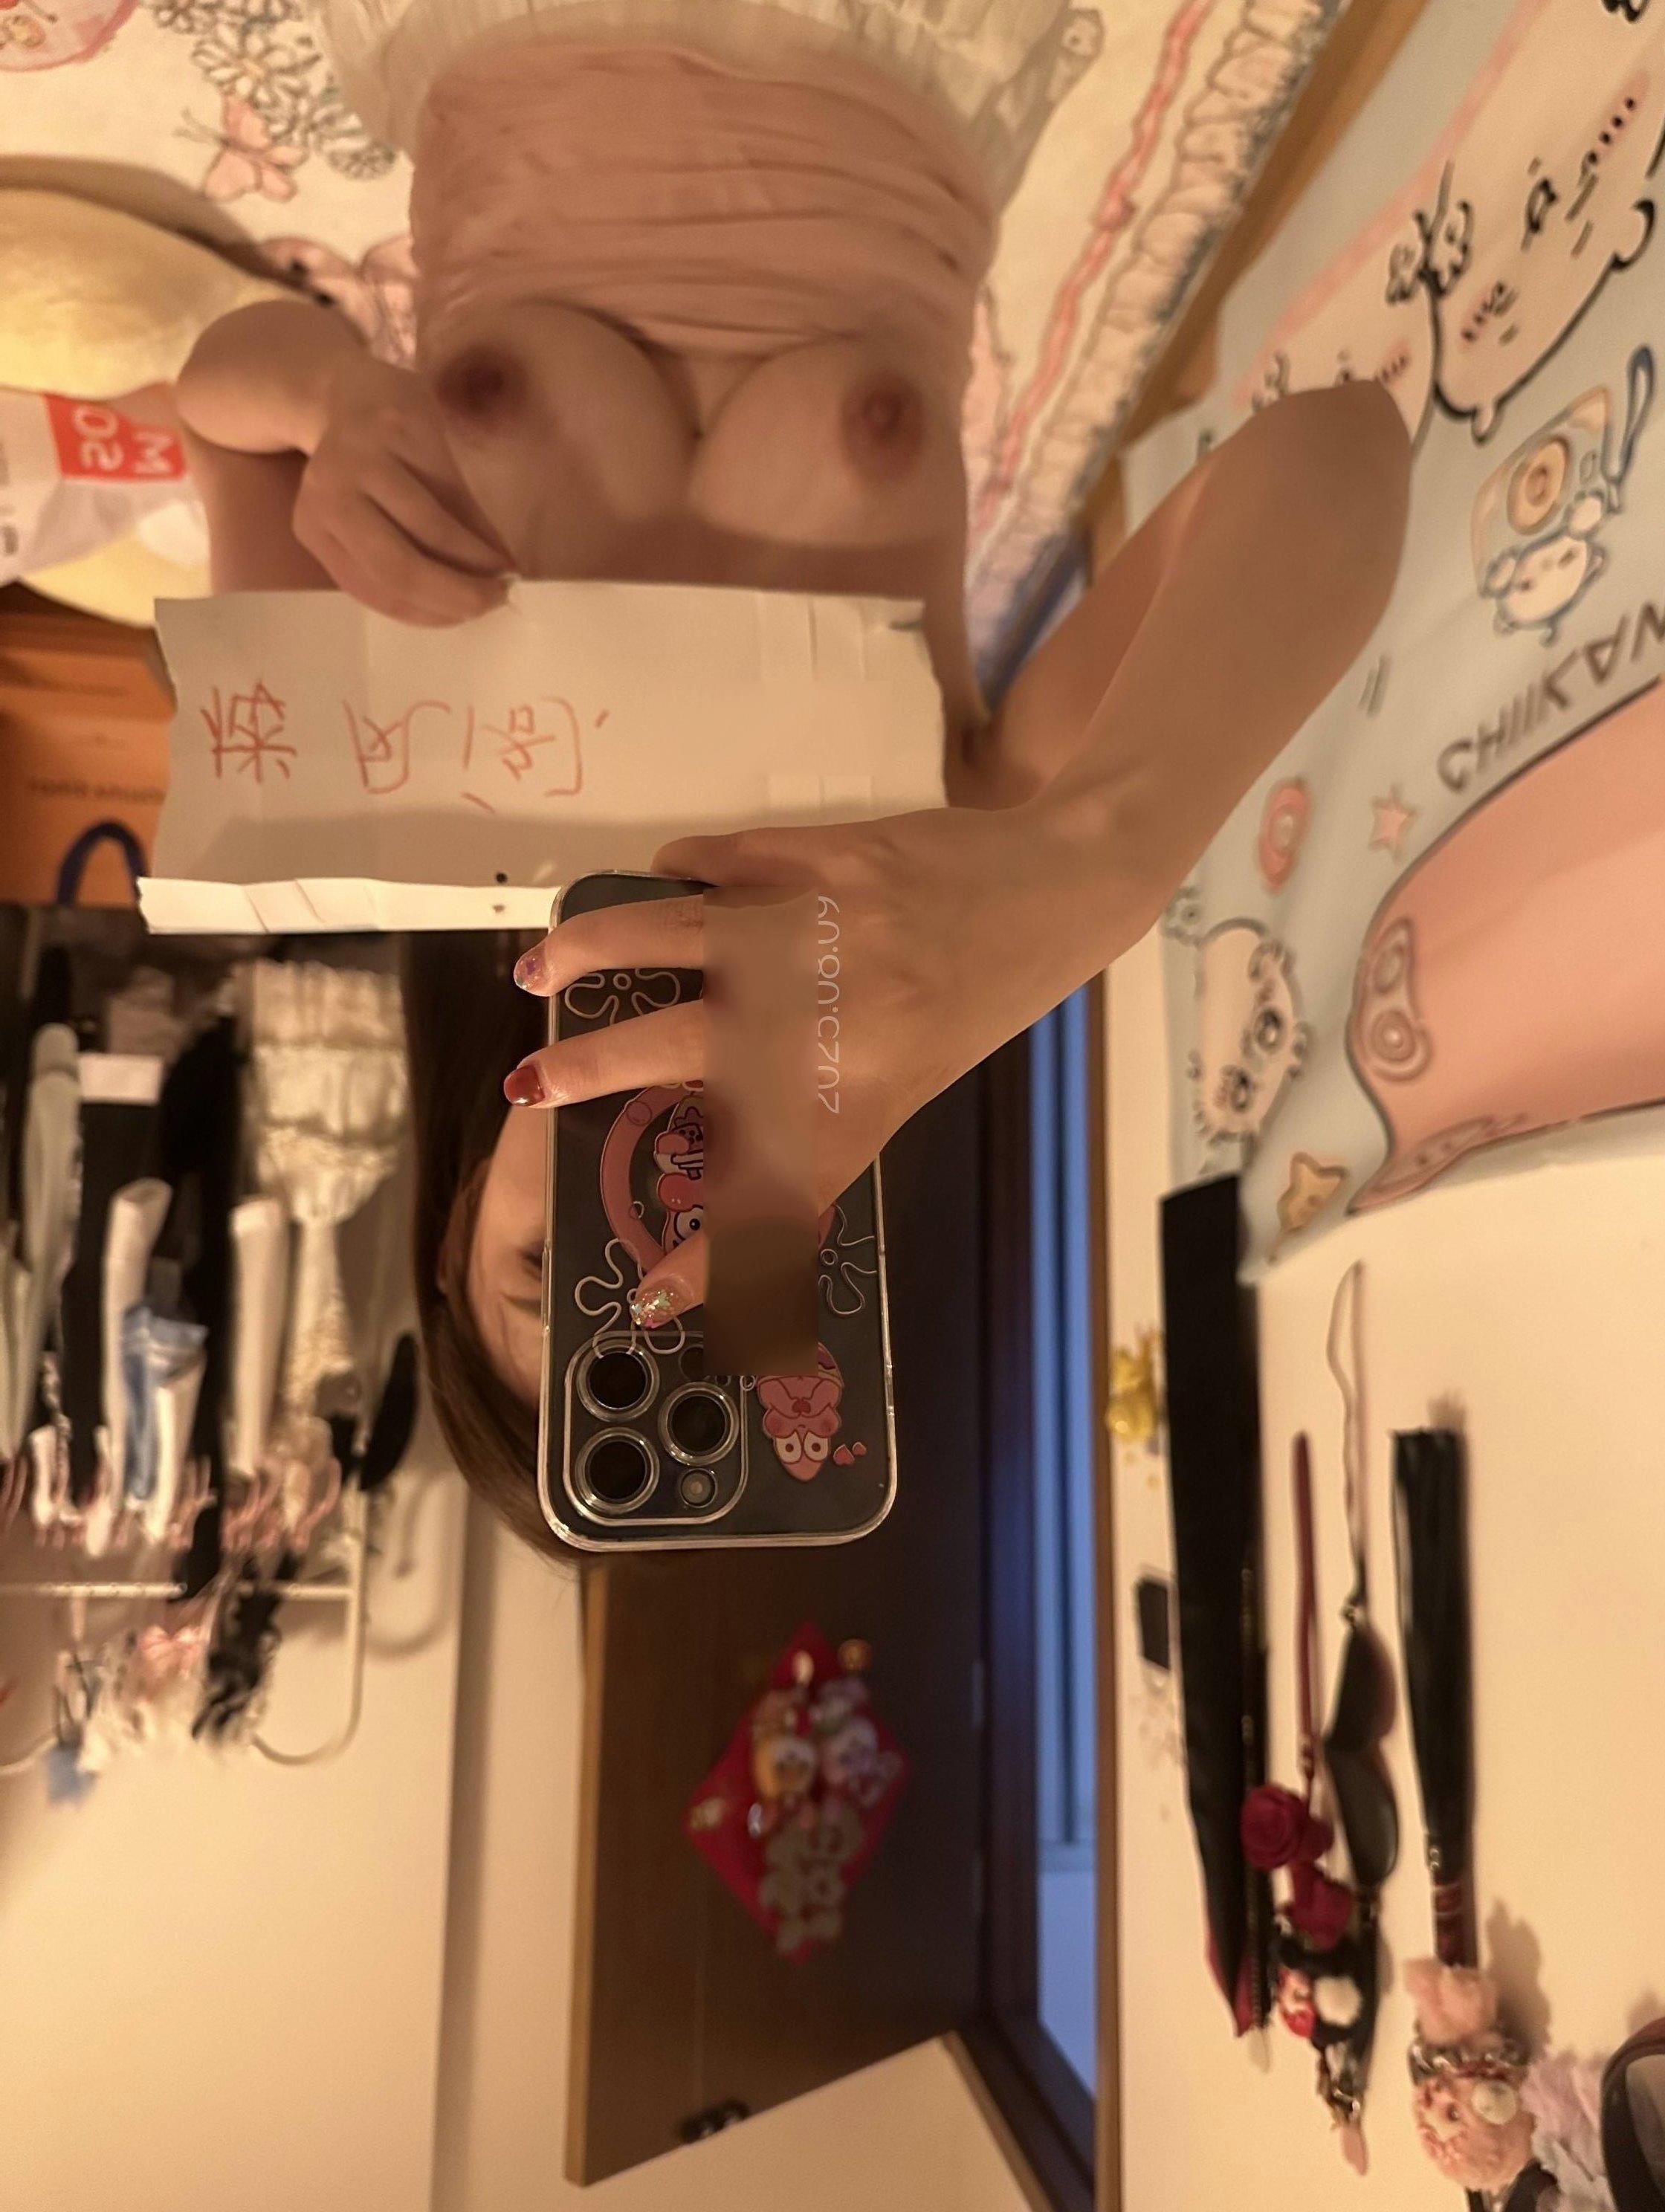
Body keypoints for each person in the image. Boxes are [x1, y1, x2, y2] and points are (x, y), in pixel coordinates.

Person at [172, 0, 1410, 1557]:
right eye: (702, 1277)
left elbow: (217, 400)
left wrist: (332, 404)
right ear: (797, 1262)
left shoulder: (364, 810)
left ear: (453, 1222)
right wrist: (1100, 865)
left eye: (556, 1267)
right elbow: (1343, 451)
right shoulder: (937, 858)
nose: (646, 1213)